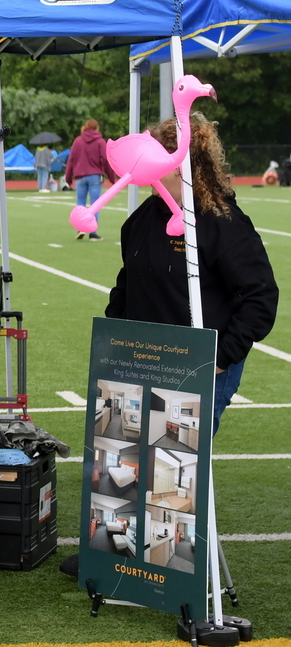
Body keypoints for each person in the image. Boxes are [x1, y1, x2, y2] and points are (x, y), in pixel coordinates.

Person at [106, 113, 278, 435]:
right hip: (144, 359)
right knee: (129, 448)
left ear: (177, 165)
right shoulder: (141, 219)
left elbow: (260, 296)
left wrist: (222, 358)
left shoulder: (222, 223)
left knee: (176, 453)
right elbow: (126, 282)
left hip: (201, 366)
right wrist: (114, 338)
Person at [65, 119, 115, 240]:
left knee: (80, 203)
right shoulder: (100, 141)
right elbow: (106, 159)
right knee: (95, 204)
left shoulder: (78, 141)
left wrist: (68, 177)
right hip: (95, 176)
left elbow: (71, 159)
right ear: (97, 128)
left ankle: (80, 229)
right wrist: (111, 177)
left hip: (80, 177)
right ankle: (93, 233)